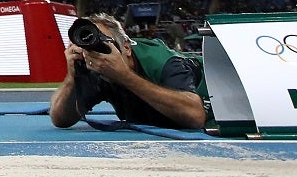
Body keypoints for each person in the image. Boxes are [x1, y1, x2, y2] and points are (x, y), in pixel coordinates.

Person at [48, 11, 208, 131]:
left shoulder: (164, 62)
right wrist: (72, 78)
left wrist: (124, 77)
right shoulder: (97, 69)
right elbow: (60, 119)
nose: (100, 54)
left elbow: (195, 116)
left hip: (214, 83)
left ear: (126, 47)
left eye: (105, 44)